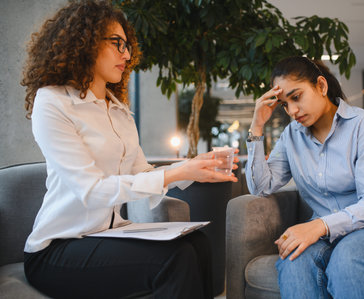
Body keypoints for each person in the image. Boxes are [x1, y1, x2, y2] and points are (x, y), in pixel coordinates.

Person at [20, 1, 238, 298]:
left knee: (197, 244)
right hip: (58, 247)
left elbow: (142, 174)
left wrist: (193, 169)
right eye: (117, 43)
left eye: (127, 45)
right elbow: (91, 189)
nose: (127, 54)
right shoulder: (54, 102)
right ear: (84, 42)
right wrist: (177, 171)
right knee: (176, 258)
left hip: (108, 234)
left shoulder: (118, 109)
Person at [245, 56, 364, 299]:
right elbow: (260, 188)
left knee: (349, 257)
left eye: (296, 97)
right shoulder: (291, 136)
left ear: (321, 86)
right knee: (294, 259)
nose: (292, 111)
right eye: (284, 104)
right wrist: (256, 128)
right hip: (328, 232)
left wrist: (318, 226)